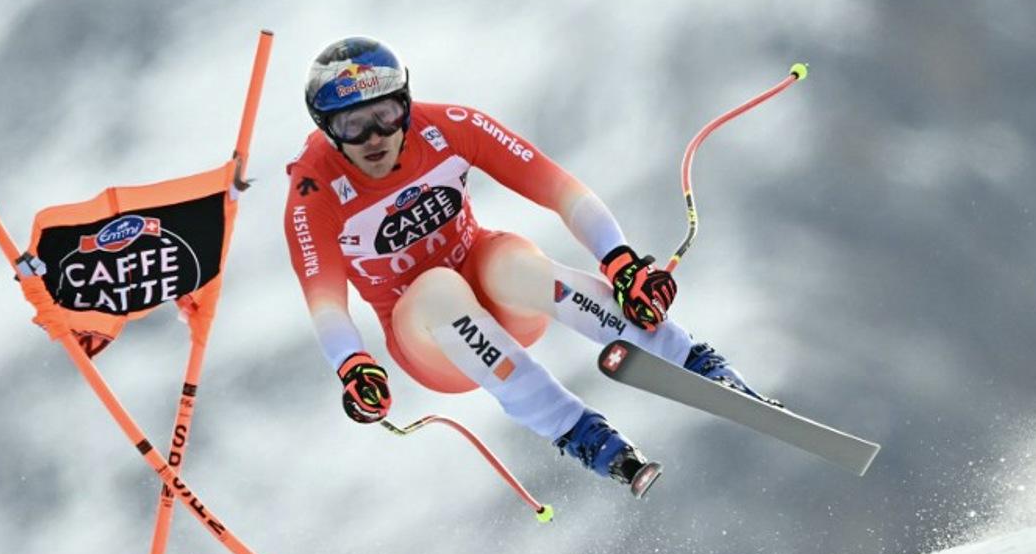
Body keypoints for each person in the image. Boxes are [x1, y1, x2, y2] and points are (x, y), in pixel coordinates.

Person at [283, 36, 772, 499]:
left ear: (405, 104)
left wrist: (620, 262)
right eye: (352, 125)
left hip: (499, 293)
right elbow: (325, 303)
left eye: (386, 115)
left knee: (513, 261)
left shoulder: (447, 126)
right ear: (327, 128)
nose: (374, 137)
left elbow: (558, 188)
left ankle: (695, 363)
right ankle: (578, 431)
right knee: (437, 287)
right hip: (432, 339)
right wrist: (353, 365)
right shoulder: (314, 190)